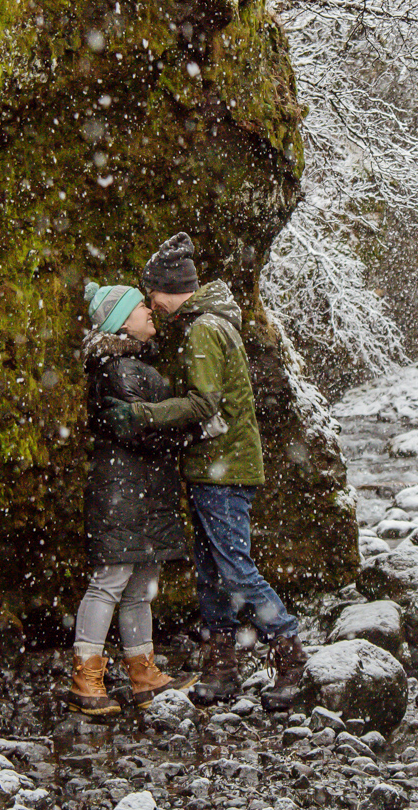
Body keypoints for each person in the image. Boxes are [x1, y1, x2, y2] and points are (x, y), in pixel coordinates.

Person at [102, 232, 310, 710]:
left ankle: (291, 655)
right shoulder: (209, 324)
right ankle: (223, 666)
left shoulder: (203, 330)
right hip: (213, 468)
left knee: (234, 570)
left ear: (169, 288)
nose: (150, 303)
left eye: (152, 291)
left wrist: (141, 415)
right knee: (213, 572)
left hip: (224, 471)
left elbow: (203, 402)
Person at [67, 280, 197, 716]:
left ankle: (143, 674)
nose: (148, 311)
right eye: (141, 306)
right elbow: (139, 429)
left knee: (139, 584)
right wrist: (185, 426)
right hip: (122, 493)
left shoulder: (133, 364)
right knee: (110, 582)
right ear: (122, 321)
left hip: (141, 492)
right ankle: (87, 678)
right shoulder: (116, 368)